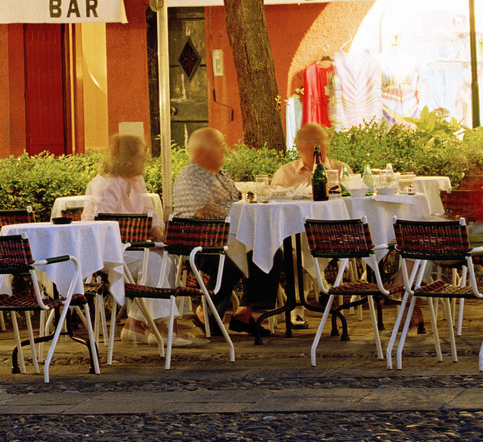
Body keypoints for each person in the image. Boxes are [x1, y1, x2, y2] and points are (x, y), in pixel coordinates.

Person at [170, 127, 274, 336]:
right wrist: (233, 215)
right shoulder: (192, 175)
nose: (224, 151)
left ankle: (244, 311)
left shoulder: (220, 174)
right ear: (204, 152)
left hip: (229, 235)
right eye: (220, 147)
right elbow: (203, 211)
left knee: (270, 250)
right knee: (232, 260)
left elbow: (236, 199)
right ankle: (205, 311)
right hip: (200, 243)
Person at [81, 133, 163, 236]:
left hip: (133, 244)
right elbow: (106, 228)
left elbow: (150, 212)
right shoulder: (106, 185)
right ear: (127, 160)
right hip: (107, 246)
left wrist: (156, 229)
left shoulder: (137, 180)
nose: (145, 161)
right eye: (140, 157)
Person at [269, 123, 351, 192]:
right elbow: (273, 206)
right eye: (309, 141)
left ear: (327, 144)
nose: (315, 146)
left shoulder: (342, 170)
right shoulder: (285, 174)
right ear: (299, 146)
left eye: (319, 140)